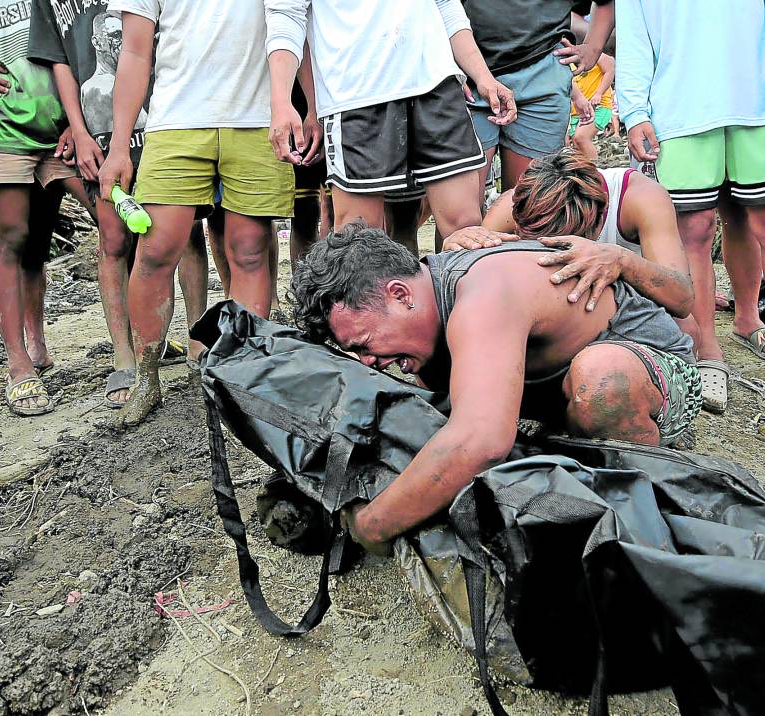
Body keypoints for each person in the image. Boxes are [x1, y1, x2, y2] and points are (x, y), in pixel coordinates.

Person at [291, 221, 699, 552]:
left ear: (399, 294)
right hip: (556, 397)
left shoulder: (483, 298)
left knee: (603, 382)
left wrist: (372, 525)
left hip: (656, 372)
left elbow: (480, 442)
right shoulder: (431, 305)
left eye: (363, 345)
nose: (368, 361)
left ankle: (644, 501)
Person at [615, 0, 765, 415]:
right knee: (693, 230)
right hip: (679, 106)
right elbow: (634, 36)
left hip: (760, 98)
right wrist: (635, 110)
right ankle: (707, 349)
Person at [98, 0, 295, 428]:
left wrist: (307, 107)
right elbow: (134, 52)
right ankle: (146, 379)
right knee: (154, 251)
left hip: (257, 116)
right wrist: (118, 145)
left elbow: (294, 24)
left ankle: (246, 380)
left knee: (249, 251)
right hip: (176, 120)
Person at [28, 1, 209, 408]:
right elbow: (59, 61)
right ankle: (124, 355)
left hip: (169, 116)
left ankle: (199, 340)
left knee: (186, 232)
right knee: (113, 239)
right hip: (101, 130)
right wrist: (77, 127)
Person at [265, 0, 514, 254]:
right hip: (356, 94)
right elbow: (286, 15)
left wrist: (482, 76)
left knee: (466, 230)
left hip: (436, 82)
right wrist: (281, 101)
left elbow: (446, 4)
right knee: (359, 242)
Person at [0, 0, 80, 417]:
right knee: (10, 240)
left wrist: (78, 117)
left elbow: (76, 44)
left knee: (45, 242)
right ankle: (18, 364)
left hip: (59, 130)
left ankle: (40, 344)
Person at [453, 148, 694, 324]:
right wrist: (457, 250)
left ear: (601, 218)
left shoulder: (640, 199)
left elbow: (682, 299)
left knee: (686, 329)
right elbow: (470, 286)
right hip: (545, 310)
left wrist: (622, 260)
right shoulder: (513, 206)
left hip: (623, 309)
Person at [461, 0, 613, 203]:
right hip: (467, 73)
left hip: (542, 75)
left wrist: (593, 48)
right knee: (462, 215)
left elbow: (606, 3)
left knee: (530, 203)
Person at [567, 53, 615, 162]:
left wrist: (599, 93)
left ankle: (595, 171)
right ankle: (585, 173)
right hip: (577, 111)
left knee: (581, 137)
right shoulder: (567, 60)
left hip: (599, 105)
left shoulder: (596, 53)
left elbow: (610, 69)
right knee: (576, 142)